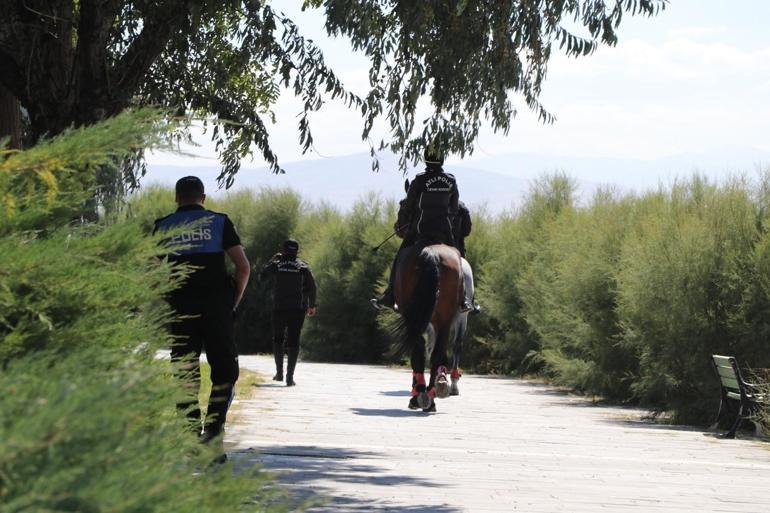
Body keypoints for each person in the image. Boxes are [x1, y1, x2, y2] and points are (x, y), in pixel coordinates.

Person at [153, 176, 250, 445]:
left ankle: (190, 432)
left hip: (181, 308)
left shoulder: (163, 226)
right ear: (203, 198)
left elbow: (150, 271)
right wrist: (234, 302)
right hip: (217, 307)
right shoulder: (219, 222)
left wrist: (165, 300)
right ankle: (214, 431)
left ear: (177, 198)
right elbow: (243, 267)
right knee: (225, 369)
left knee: (184, 370)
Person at [371, 149, 460, 310]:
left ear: (426, 160)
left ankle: (390, 294)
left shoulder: (419, 180)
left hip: (421, 230)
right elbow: (454, 207)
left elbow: (408, 206)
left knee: (400, 257)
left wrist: (405, 221)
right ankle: (466, 298)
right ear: (442, 160)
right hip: (444, 231)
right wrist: (446, 220)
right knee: (459, 258)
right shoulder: (451, 180)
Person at [259, 239, 317, 386]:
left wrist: (271, 261)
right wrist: (312, 305)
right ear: (297, 251)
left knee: (278, 339)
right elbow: (312, 286)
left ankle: (279, 374)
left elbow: (262, 277)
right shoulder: (303, 266)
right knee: (294, 341)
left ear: (283, 250)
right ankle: (289, 378)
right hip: (298, 309)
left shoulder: (277, 265)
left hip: (279, 307)